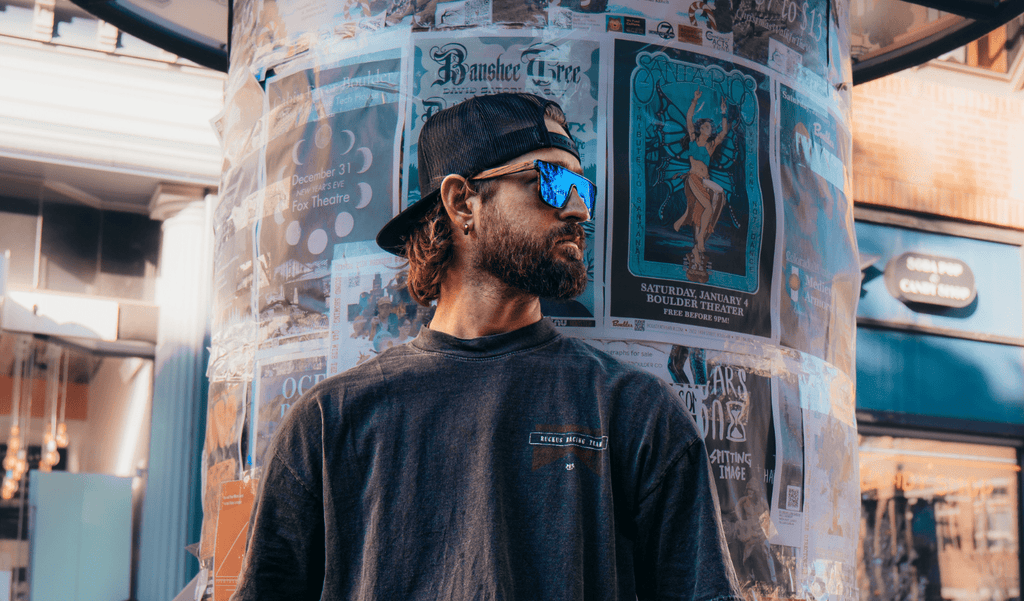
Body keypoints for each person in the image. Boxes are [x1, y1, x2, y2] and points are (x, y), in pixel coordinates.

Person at [231, 93, 743, 600]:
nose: (579, 209)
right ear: (462, 202)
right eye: (550, 181)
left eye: (582, 187)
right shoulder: (330, 422)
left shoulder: (634, 413)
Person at [670, 88, 730, 278]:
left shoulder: (711, 146)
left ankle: (697, 246)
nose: (709, 128)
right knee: (708, 208)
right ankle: (701, 242)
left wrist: (723, 113)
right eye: (705, 126)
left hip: (705, 181)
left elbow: (724, 132)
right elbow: (689, 119)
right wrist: (694, 100)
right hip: (693, 179)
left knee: (710, 205)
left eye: (710, 127)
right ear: (700, 129)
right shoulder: (693, 140)